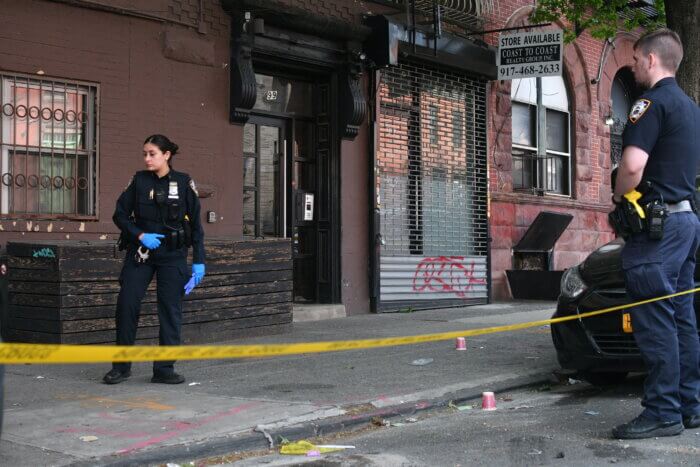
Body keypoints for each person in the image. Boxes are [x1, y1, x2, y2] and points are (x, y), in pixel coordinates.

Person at [611, 28, 700, 439]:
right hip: (685, 223)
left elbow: (631, 167)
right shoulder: (690, 107)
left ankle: (663, 410)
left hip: (656, 228)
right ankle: (688, 405)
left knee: (655, 318)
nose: (632, 66)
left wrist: (618, 193)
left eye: (634, 59)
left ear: (650, 59)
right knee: (681, 317)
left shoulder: (650, 103)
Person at [103, 134, 206, 385]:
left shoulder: (183, 183)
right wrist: (140, 235)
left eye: (152, 153)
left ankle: (164, 369)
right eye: (145, 154)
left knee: (169, 311)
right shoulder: (138, 181)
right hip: (142, 253)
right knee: (127, 305)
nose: (147, 158)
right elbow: (120, 215)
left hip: (173, 256)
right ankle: (121, 367)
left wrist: (199, 261)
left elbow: (196, 226)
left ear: (166, 155)